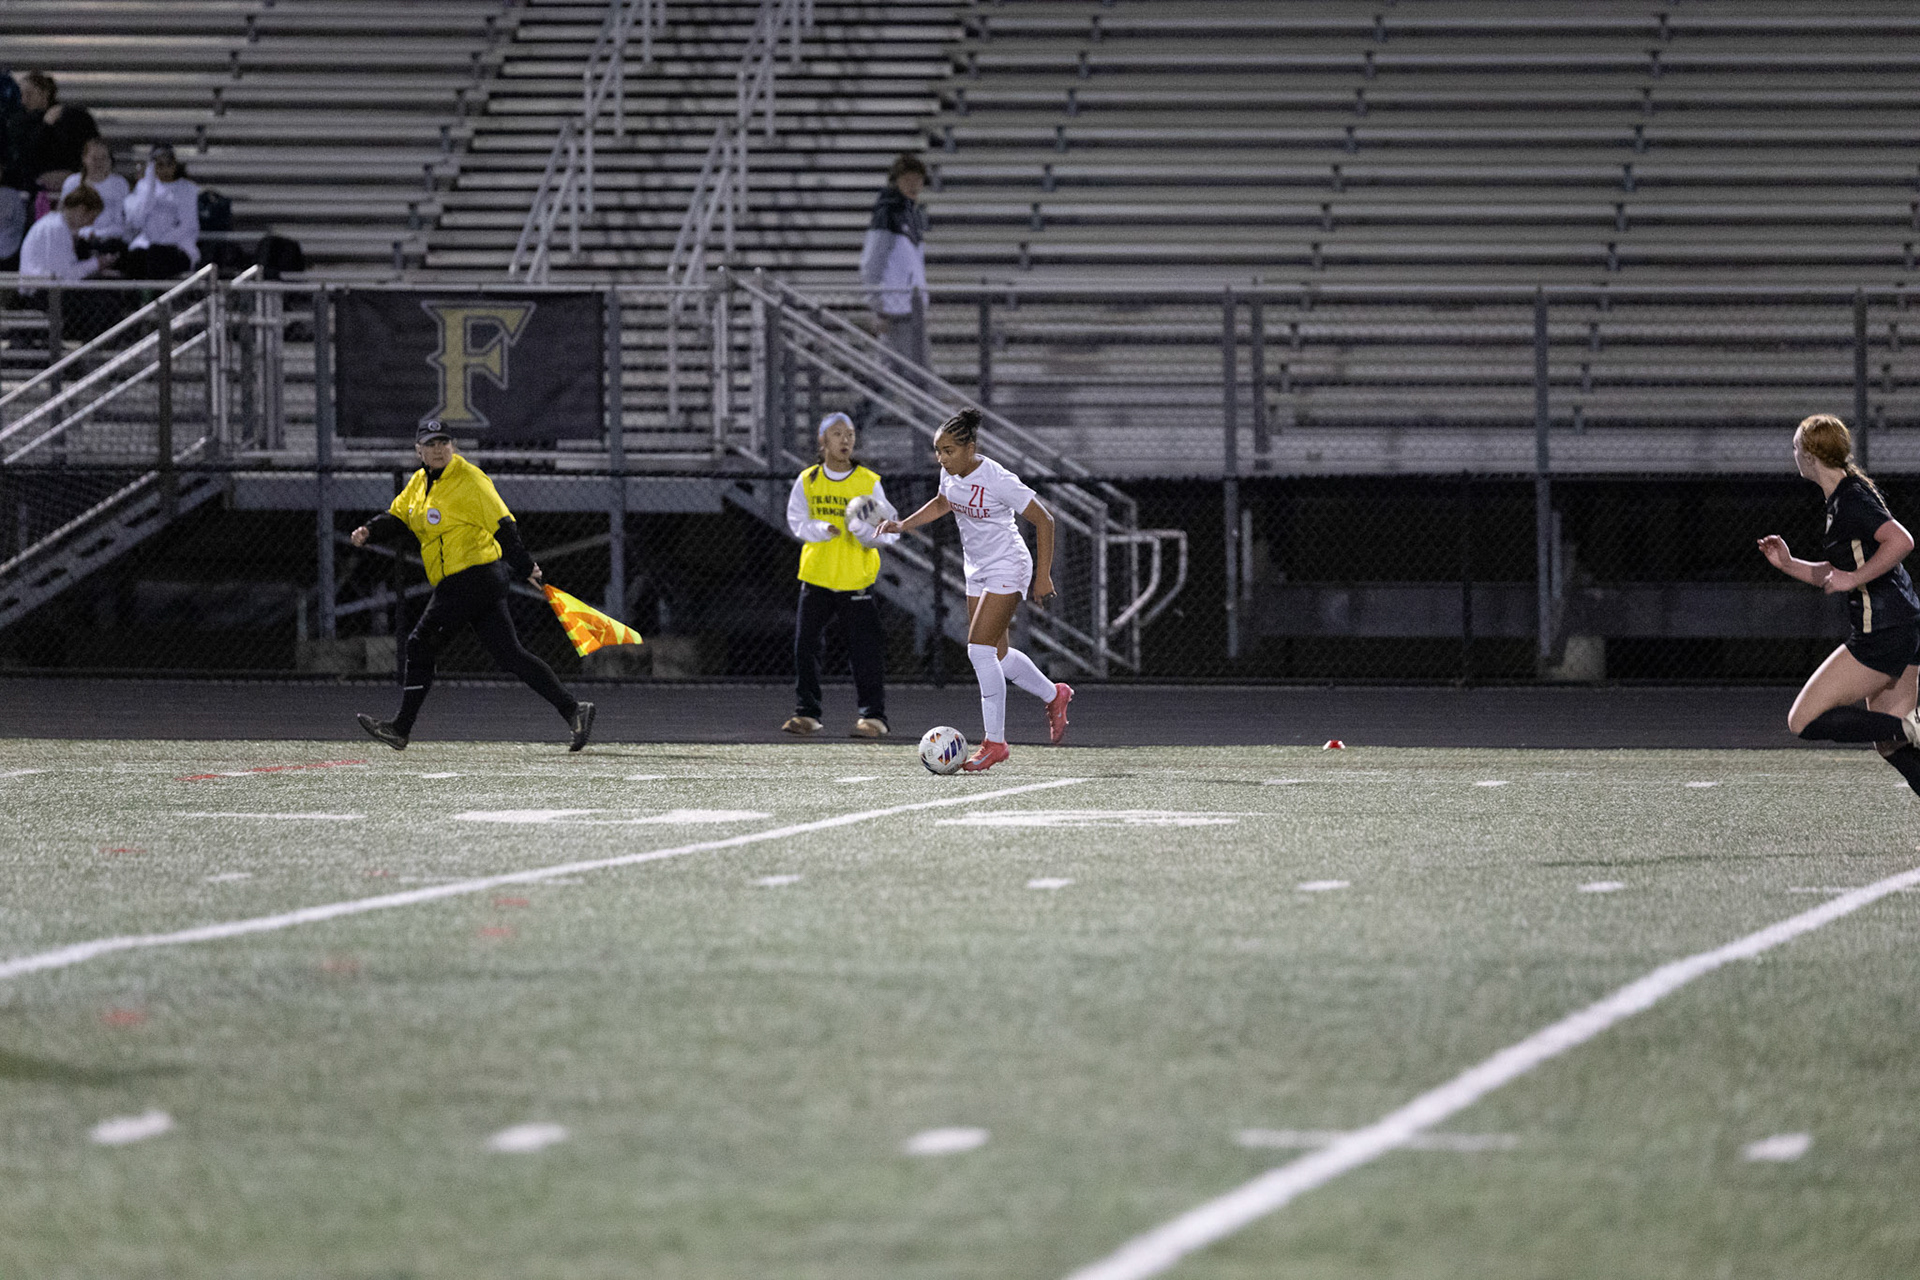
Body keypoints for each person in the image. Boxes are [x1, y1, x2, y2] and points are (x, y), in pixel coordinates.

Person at [349, 421, 595, 753]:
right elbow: (400, 516)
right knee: (510, 655)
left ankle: (400, 728)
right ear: (418, 451)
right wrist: (369, 530)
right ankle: (574, 710)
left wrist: (525, 566)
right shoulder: (420, 482)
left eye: (444, 442)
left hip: (473, 577)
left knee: (420, 644)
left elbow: (503, 524)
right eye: (431, 444)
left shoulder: (470, 479)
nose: (439, 449)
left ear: (453, 446)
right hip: (473, 581)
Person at [877, 407, 1073, 772]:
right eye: (938, 451)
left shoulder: (997, 478)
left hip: (1008, 565)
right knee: (998, 655)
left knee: (979, 651)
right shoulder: (949, 473)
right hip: (976, 568)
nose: (942, 458)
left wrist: (1043, 576)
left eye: (949, 450)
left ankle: (995, 743)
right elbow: (942, 502)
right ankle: (1055, 693)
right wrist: (902, 525)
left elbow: (1044, 520)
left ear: (971, 448)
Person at [1758, 413, 1920, 793]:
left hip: (1883, 630)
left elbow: (1902, 541)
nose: (1793, 454)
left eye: (1795, 447)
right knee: (1891, 744)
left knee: (1802, 720)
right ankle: (1911, 728)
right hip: (1902, 624)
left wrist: (1855, 578)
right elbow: (1835, 572)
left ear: (1811, 455)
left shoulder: (1851, 499)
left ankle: (1914, 726)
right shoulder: (1842, 497)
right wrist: (1789, 564)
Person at [783, 411, 899, 739]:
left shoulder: (868, 481)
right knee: (805, 647)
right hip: (817, 576)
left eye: (849, 434)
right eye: (837, 433)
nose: (845, 439)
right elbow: (796, 521)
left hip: (855, 579)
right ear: (822, 440)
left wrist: (868, 534)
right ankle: (807, 713)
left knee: (865, 651)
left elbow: (890, 529)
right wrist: (822, 529)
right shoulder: (808, 480)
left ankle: (873, 717)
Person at [858, 153, 930, 402]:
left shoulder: (911, 215)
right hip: (896, 310)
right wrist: (878, 307)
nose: (913, 185)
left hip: (910, 307)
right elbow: (871, 264)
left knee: (892, 375)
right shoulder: (888, 214)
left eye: (918, 180)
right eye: (907, 179)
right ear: (895, 181)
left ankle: (861, 419)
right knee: (915, 378)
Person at [122, 144, 199, 279]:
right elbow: (138, 221)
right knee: (136, 258)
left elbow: (187, 225)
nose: (165, 169)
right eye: (160, 165)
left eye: (169, 164)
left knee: (158, 256)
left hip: (178, 247)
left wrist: (161, 242)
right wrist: (150, 186)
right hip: (146, 246)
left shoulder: (188, 189)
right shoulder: (144, 187)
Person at [14, 72, 97, 196]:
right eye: (21, 95)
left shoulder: (75, 118)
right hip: (35, 189)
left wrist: (72, 175)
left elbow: (90, 148)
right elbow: (24, 156)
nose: (24, 100)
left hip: (74, 186)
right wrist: (45, 127)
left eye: (29, 94)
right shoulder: (20, 122)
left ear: (45, 93)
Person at [18, 184, 114, 281]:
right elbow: (63, 275)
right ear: (81, 210)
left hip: (45, 285)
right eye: (92, 218)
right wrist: (97, 263)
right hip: (42, 288)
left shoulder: (56, 225)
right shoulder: (56, 228)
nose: (91, 223)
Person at [60, 138, 129, 253]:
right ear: (84, 159)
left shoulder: (119, 183)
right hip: (78, 239)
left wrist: (98, 233)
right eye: (94, 158)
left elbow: (122, 222)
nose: (99, 163)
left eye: (104, 158)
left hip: (110, 239)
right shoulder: (72, 182)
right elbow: (64, 216)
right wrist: (83, 233)